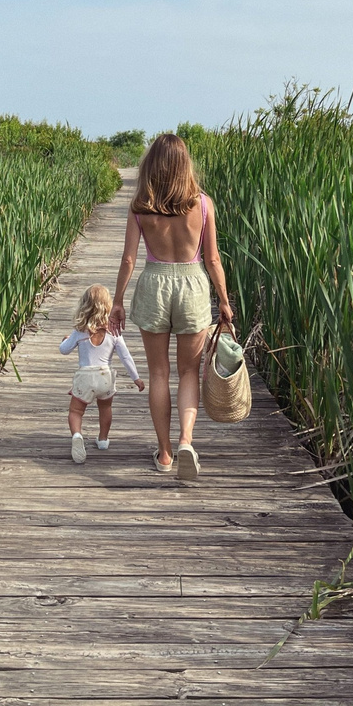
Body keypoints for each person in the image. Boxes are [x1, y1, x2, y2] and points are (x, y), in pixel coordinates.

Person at [109, 134, 233, 481]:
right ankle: (185, 441)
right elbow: (212, 258)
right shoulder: (203, 204)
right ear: (185, 165)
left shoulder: (141, 207)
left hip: (155, 285)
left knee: (159, 373)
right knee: (189, 372)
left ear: (152, 165)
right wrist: (223, 300)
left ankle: (164, 454)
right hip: (193, 285)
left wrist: (117, 301)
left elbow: (129, 258)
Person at [60, 284, 145, 464]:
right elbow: (125, 356)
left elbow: (64, 350)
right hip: (106, 377)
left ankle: (77, 436)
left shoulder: (80, 331)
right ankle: (103, 439)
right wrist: (136, 378)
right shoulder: (113, 332)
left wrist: (65, 341)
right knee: (105, 408)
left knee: (76, 411)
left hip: (85, 377)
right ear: (108, 306)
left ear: (84, 306)